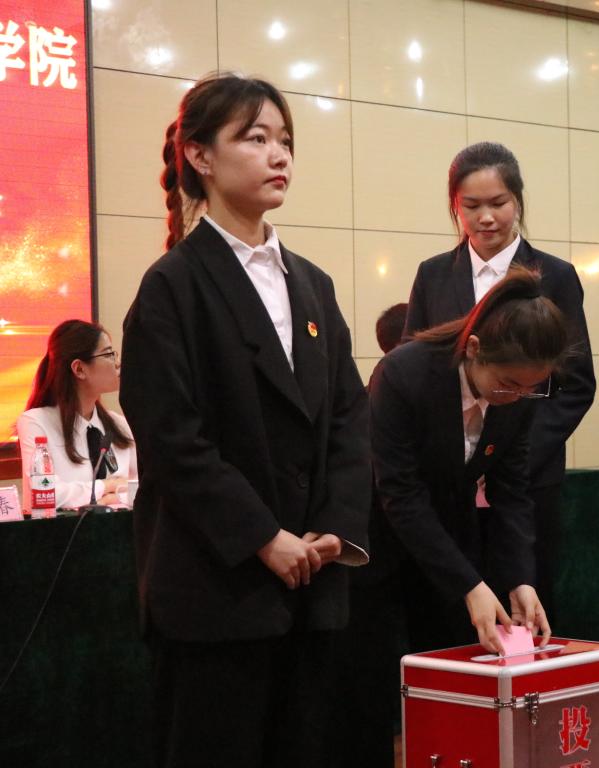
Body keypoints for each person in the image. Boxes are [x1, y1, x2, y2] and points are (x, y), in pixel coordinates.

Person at [119, 73, 371, 767]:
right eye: (255, 138)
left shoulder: (312, 283)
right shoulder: (172, 286)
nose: (278, 155)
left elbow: (349, 417)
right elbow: (173, 441)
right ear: (200, 155)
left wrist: (335, 527)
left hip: (312, 583)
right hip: (217, 592)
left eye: (284, 140)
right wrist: (263, 537)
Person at [402, 142, 595, 613]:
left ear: (518, 201)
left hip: (526, 479)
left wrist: (511, 453)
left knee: (526, 601)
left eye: (498, 203)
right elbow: (415, 369)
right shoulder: (433, 274)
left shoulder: (556, 275)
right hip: (449, 478)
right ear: (455, 206)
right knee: (450, 607)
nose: (486, 217)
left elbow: (575, 385)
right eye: (471, 206)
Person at [372, 267, 564, 655]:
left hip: (454, 540)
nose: (518, 396)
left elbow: (512, 490)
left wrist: (520, 579)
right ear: (474, 348)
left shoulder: (519, 395)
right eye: (508, 384)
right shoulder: (403, 374)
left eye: (531, 388)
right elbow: (401, 494)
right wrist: (468, 585)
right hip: (384, 543)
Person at [17, 319, 136, 509]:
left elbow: (142, 490)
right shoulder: (36, 422)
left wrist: (109, 500)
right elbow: (45, 494)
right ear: (79, 369)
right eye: (109, 354)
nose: (118, 363)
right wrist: (107, 486)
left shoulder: (120, 424)